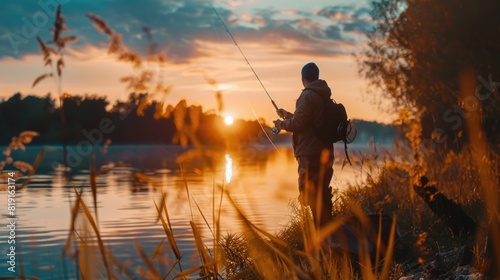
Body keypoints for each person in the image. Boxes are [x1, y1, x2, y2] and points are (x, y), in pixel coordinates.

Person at [273, 62, 334, 228]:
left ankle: (322, 236)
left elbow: (299, 124)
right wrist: (287, 115)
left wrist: (281, 125)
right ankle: (328, 233)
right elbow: (309, 122)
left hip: (310, 154)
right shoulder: (322, 93)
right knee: (322, 192)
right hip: (324, 152)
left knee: (310, 195)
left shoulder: (307, 96)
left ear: (302, 78)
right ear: (316, 76)